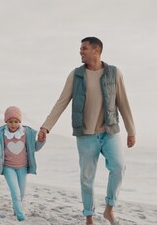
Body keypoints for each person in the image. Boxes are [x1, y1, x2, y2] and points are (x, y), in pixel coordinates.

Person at [37, 37, 136, 225]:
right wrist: (46, 127)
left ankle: (109, 209)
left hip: (110, 131)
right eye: (80, 48)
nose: (80, 51)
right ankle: (89, 217)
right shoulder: (76, 75)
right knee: (86, 178)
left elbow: (123, 102)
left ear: (96, 50)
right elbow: (62, 102)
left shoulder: (114, 73)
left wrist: (131, 130)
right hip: (85, 134)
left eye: (84, 48)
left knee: (118, 166)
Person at [0, 106, 45, 221]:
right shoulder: (1, 134)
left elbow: (35, 147)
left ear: (19, 121)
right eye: (10, 121)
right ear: (6, 121)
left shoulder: (26, 133)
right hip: (8, 168)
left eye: (16, 121)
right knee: (15, 192)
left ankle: (16, 211)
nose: (13, 124)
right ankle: (21, 218)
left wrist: (41, 141)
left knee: (20, 194)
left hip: (23, 168)